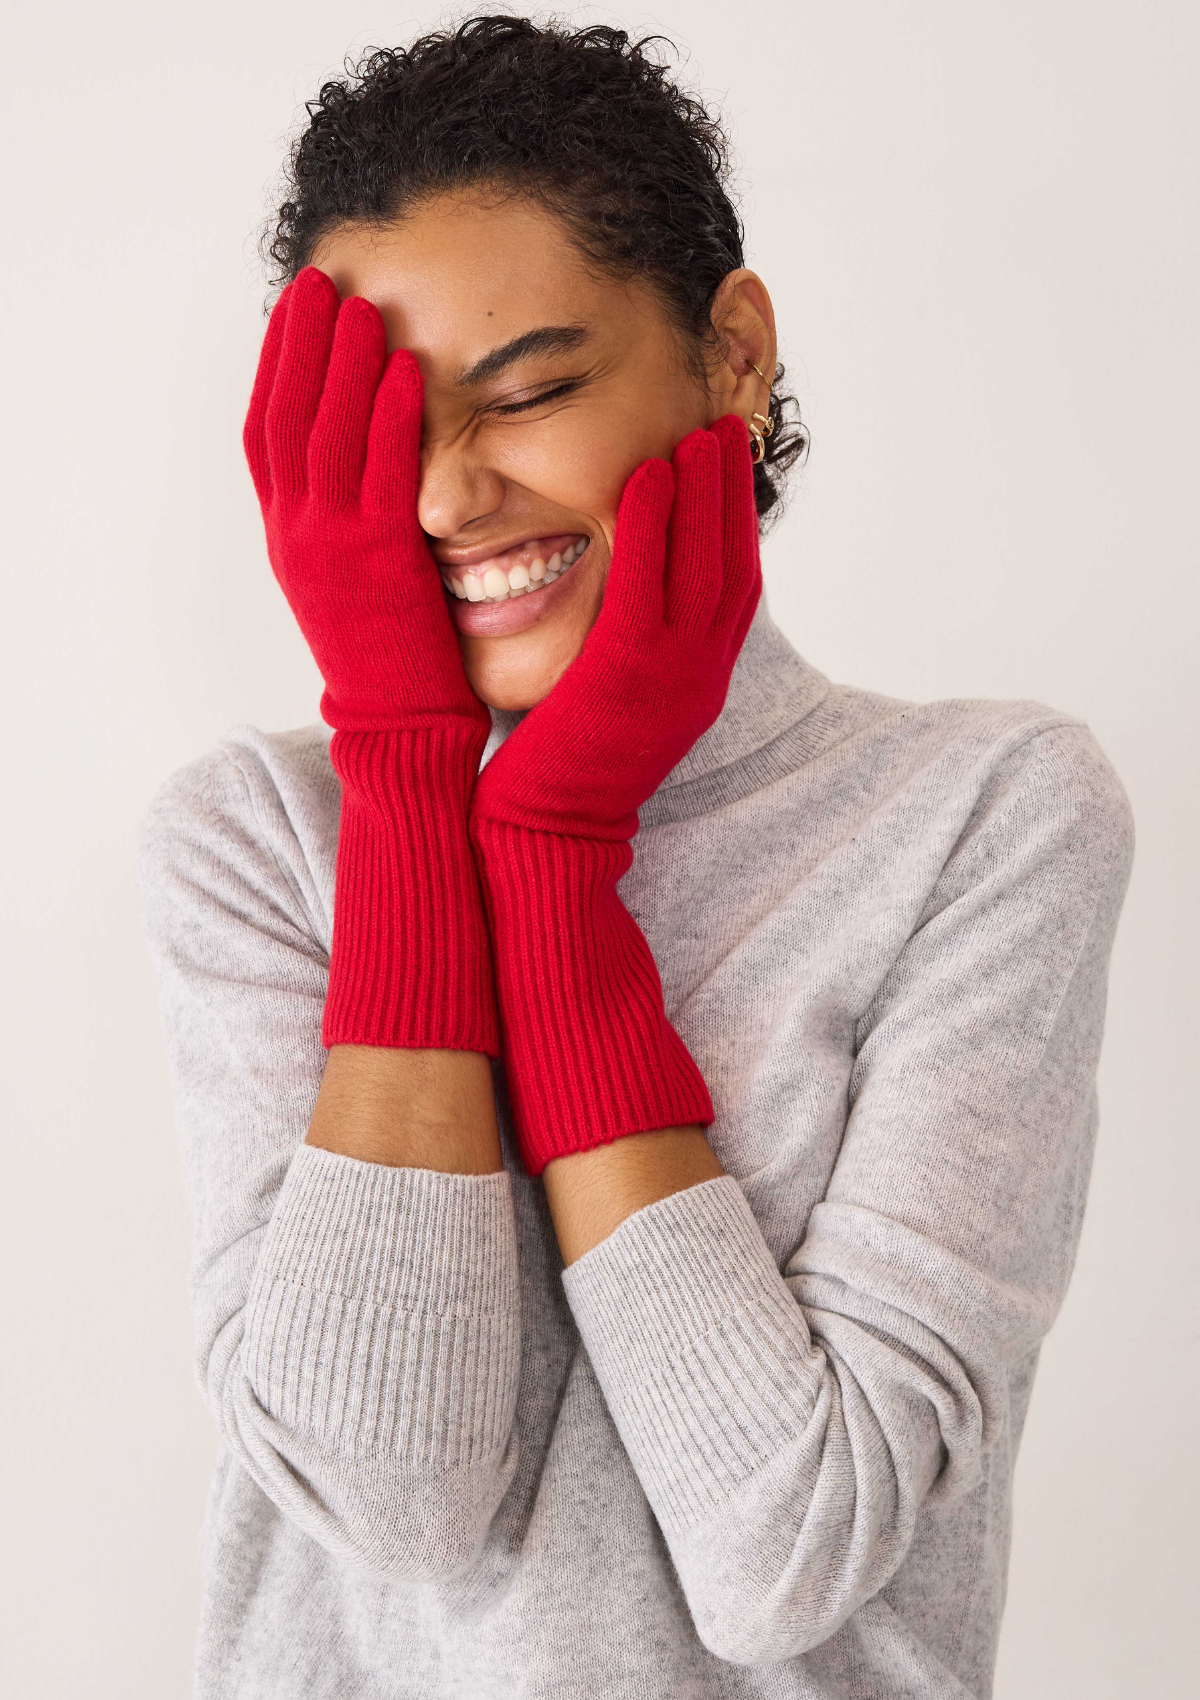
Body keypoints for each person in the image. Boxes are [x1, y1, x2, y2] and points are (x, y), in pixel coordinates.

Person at [137, 17, 1134, 1698]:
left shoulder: (983, 814)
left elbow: (787, 1552)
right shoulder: (259, 840)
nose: (451, 493)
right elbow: (392, 1497)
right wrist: (403, 772)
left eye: (528, 391)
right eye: (381, 432)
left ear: (732, 351)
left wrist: (553, 862)